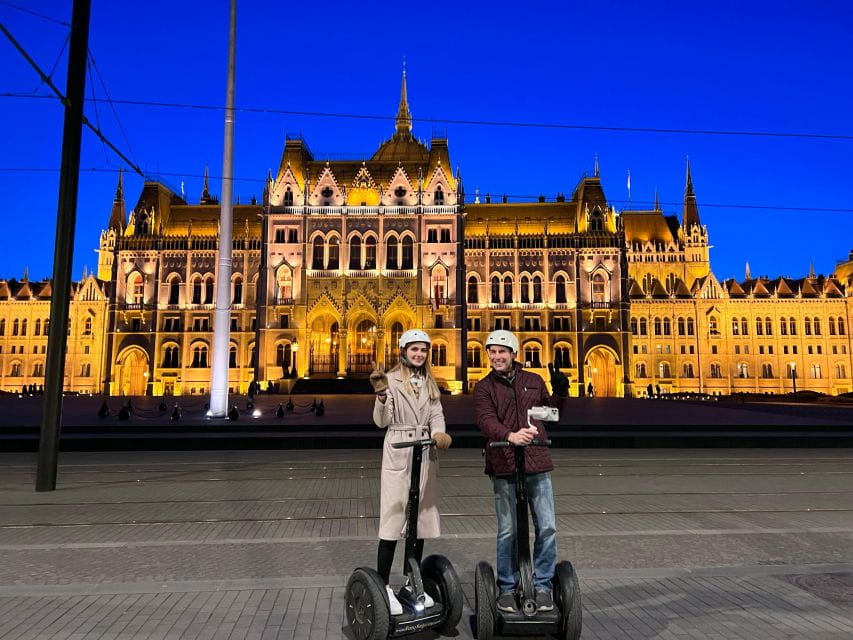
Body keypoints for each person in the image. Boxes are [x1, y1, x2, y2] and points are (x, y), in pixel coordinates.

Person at [474, 329, 569, 614]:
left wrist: (561, 393)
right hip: (503, 462)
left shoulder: (533, 381)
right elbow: (485, 420)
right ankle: (506, 586)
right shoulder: (484, 387)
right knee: (508, 531)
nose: (496, 357)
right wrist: (509, 435)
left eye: (502, 352)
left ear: (514, 354)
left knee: (547, 527)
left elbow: (551, 415)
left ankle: (543, 585)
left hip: (536, 461)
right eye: (492, 352)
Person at [370, 329, 452, 615]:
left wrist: (439, 433)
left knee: (419, 518)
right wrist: (381, 398)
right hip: (399, 448)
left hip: (424, 450)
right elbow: (382, 421)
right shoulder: (390, 380)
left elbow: (436, 414)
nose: (419, 354)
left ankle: (410, 581)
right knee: (393, 519)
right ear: (403, 351)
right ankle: (383, 584)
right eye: (414, 349)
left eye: (423, 350)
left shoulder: (430, 382)